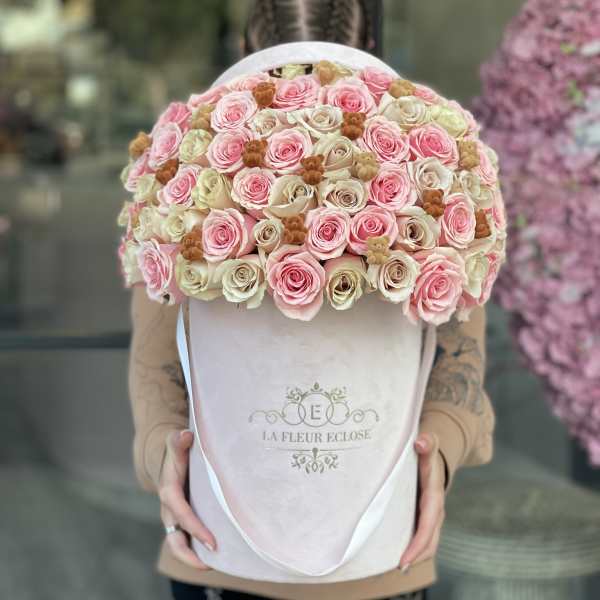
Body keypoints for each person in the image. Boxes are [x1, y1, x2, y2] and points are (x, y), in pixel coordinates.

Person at [127, 2, 496, 599]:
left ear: (246, 45)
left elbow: (156, 361)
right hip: (241, 554)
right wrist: (163, 456)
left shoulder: (185, 165)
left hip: (359, 556)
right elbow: (460, 359)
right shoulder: (188, 171)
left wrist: (439, 454)